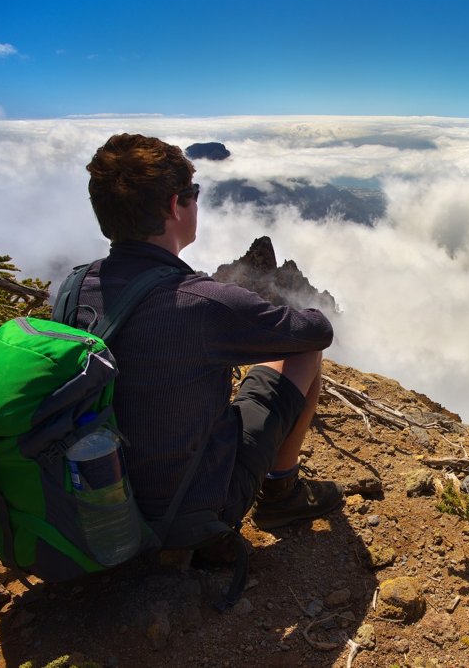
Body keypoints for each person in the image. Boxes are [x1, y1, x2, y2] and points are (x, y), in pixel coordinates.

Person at [71, 133, 343, 551]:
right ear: (173, 206)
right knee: (302, 351)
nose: (196, 201)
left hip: (99, 503)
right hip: (190, 511)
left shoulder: (75, 288)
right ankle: (282, 494)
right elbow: (316, 332)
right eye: (192, 193)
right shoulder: (200, 302)